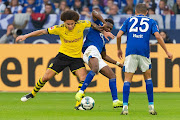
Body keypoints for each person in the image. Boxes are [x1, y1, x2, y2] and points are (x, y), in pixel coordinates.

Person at [16, 10, 114, 109]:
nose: (70, 26)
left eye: (72, 24)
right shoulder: (59, 28)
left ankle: (78, 105)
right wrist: (25, 36)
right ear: (64, 22)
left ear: (76, 22)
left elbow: (93, 24)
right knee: (46, 77)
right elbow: (42, 31)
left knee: (83, 79)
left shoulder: (82, 24)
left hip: (76, 58)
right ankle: (32, 94)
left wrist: (102, 30)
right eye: (68, 24)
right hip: (62, 57)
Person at [116, 3, 173, 115]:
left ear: (135, 11)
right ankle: (151, 107)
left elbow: (118, 36)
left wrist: (118, 49)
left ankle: (125, 108)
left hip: (130, 52)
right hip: (144, 52)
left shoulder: (129, 20)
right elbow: (157, 36)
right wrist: (166, 51)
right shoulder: (151, 21)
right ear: (147, 12)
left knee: (127, 80)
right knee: (148, 78)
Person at [75, 10, 123, 109]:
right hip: (90, 49)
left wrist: (118, 64)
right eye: (108, 26)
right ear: (103, 23)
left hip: (97, 54)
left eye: (110, 28)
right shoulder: (97, 25)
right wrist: (104, 23)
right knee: (95, 68)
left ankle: (115, 101)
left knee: (112, 75)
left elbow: (104, 56)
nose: (109, 29)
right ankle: (80, 92)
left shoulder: (103, 39)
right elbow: (94, 12)